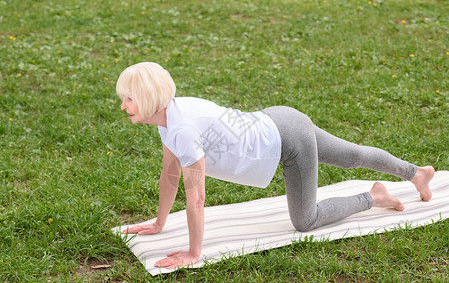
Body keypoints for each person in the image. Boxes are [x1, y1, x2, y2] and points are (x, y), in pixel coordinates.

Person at [118, 62, 435, 269]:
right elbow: (170, 175)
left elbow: (197, 199)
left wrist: (193, 253)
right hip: (280, 118)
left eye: (129, 99)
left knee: (306, 221)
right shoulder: (169, 117)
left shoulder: (182, 130)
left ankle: (376, 197)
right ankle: (417, 173)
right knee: (353, 156)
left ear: (148, 99)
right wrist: (159, 223)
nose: (123, 105)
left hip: (288, 143)